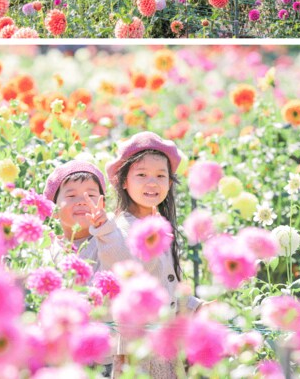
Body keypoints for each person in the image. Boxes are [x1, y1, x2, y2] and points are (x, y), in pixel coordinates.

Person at [101, 131, 201, 379]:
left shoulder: (161, 228)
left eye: (160, 176)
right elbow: (122, 263)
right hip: (137, 351)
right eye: (142, 175)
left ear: (169, 183)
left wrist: (197, 307)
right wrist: (104, 230)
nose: (152, 183)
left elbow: (169, 286)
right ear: (123, 181)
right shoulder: (118, 229)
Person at [42, 160, 130, 270]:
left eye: (91, 195)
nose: (82, 201)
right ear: (53, 210)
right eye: (71, 195)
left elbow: (123, 261)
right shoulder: (47, 248)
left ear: (102, 204)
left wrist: (105, 229)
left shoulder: (109, 240)